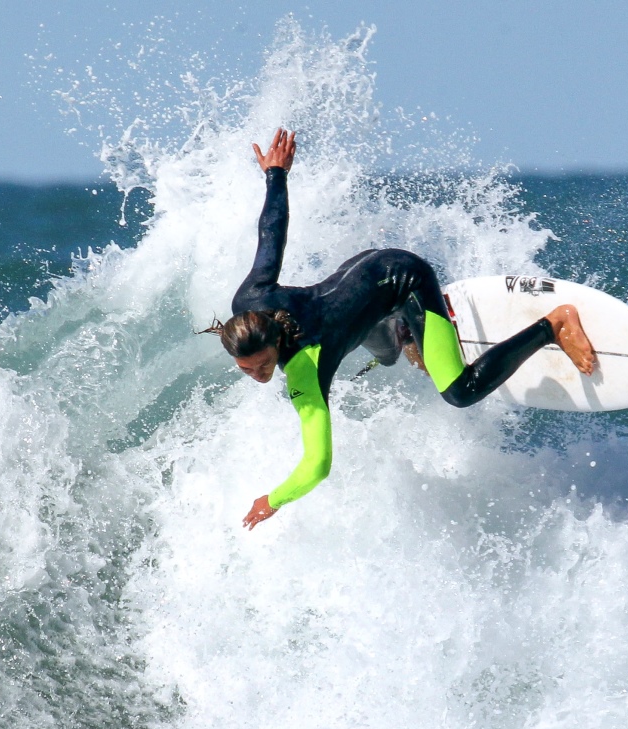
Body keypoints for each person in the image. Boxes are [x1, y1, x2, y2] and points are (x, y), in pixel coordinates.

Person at [204, 128, 597, 529]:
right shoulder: (248, 302)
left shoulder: (306, 372)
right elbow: (270, 235)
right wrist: (276, 174)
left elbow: (318, 464)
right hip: (360, 274)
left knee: (460, 392)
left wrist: (273, 500)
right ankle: (407, 333)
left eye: (263, 365)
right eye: (247, 369)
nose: (258, 375)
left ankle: (553, 325)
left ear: (276, 339)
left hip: (403, 278)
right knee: (389, 356)